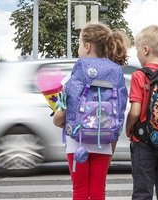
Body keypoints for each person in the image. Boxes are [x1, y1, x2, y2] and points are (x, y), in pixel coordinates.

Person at [53, 22, 129, 200]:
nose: (79, 48)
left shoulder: (76, 73)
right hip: (105, 141)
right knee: (98, 191)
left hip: (77, 141)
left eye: (79, 44)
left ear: (87, 46)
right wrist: (111, 145)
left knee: (79, 191)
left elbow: (59, 119)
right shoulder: (116, 73)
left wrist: (57, 118)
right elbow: (119, 111)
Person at [125, 25, 158, 200]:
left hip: (143, 142)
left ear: (146, 50)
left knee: (142, 191)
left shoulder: (139, 75)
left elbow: (135, 111)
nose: (137, 54)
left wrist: (129, 128)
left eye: (138, 50)